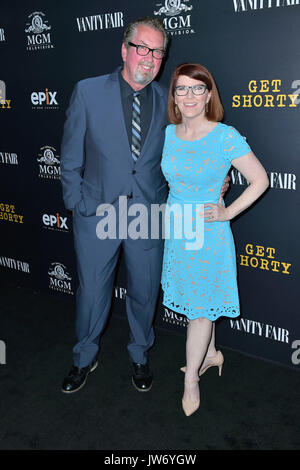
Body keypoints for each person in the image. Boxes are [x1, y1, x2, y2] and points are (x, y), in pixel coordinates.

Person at [60, 18, 229, 395]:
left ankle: (140, 354)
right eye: (142, 48)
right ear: (125, 50)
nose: (149, 58)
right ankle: (83, 357)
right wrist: (76, 202)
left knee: (144, 292)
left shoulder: (170, 100)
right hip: (97, 213)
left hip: (148, 216)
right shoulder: (88, 92)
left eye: (157, 52)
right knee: (91, 295)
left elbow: (196, 147)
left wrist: (219, 178)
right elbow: (70, 154)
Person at [160, 63, 269, 416]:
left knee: (202, 308)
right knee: (198, 301)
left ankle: (191, 379)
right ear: (173, 96)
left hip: (208, 234)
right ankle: (210, 355)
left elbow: (260, 180)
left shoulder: (225, 136)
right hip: (178, 229)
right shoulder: (168, 133)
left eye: (197, 89)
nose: (189, 96)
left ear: (209, 95)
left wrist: (226, 212)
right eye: (181, 89)